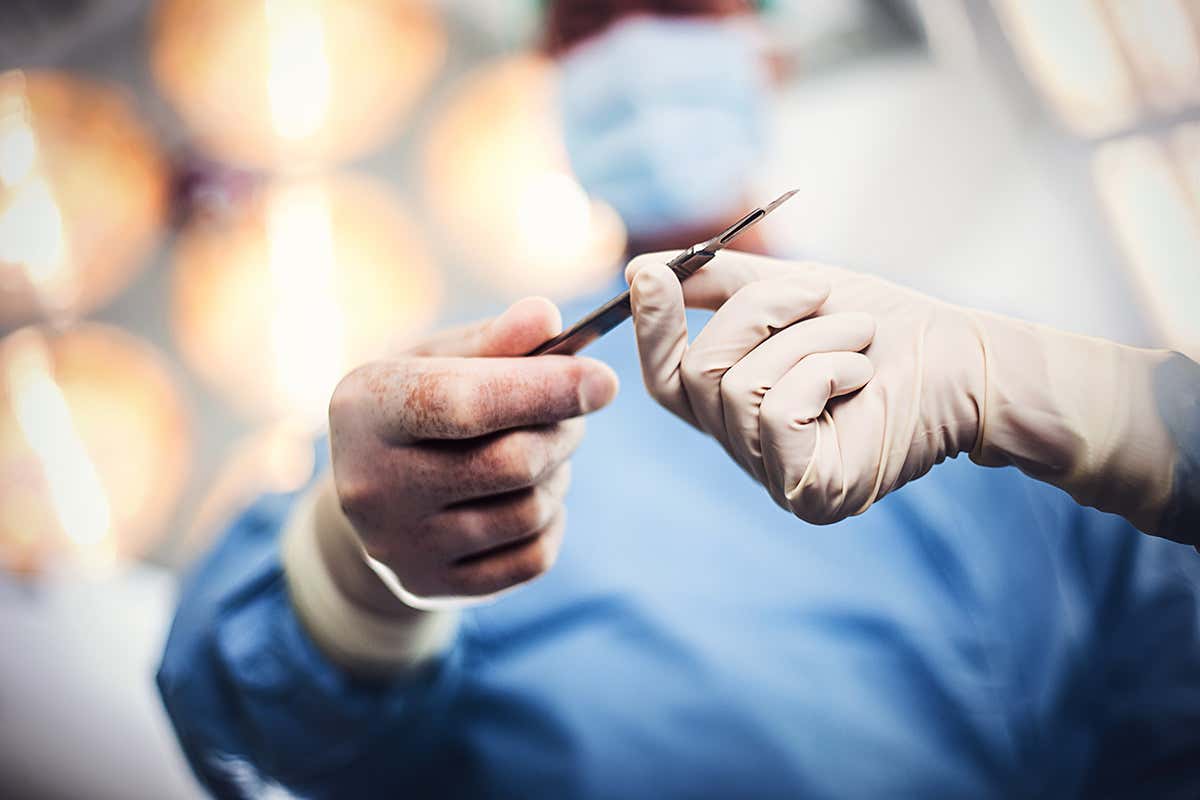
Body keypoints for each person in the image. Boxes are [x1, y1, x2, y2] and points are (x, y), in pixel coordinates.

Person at [158, 8, 1200, 800]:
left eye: (680, 5)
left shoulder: (971, 373)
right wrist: (365, 577)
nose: (635, 47)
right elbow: (243, 714)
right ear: (549, 78)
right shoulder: (474, 392)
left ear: (768, 50)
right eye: (590, 21)